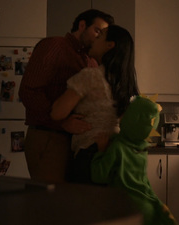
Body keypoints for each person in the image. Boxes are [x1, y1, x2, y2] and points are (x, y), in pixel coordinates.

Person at [18, 9, 114, 184]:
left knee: (69, 203)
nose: (98, 38)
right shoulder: (54, 46)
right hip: (49, 136)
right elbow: (29, 91)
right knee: (50, 202)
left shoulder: (91, 61)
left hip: (75, 142)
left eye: (103, 35)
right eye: (97, 31)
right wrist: (62, 121)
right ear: (82, 25)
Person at [50, 24, 139, 184]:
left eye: (100, 36)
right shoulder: (127, 84)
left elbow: (57, 112)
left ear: (109, 45)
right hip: (116, 155)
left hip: (90, 153)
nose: (93, 39)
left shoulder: (90, 76)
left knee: (83, 206)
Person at [91, 96, 177, 225]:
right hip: (146, 206)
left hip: (127, 207)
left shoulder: (118, 147)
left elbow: (99, 176)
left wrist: (101, 151)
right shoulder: (142, 149)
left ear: (132, 118)